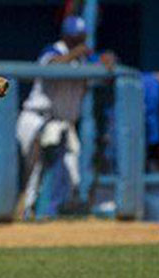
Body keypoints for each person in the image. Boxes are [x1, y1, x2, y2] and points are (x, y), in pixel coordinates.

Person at [15, 15, 115, 219]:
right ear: (66, 37)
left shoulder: (84, 59)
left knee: (71, 173)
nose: (78, 41)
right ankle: (26, 215)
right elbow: (51, 66)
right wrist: (77, 53)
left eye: (81, 37)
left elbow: (106, 73)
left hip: (62, 123)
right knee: (34, 173)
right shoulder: (53, 50)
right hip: (37, 118)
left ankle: (53, 217)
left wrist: (106, 59)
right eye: (74, 38)